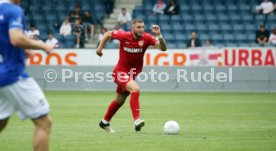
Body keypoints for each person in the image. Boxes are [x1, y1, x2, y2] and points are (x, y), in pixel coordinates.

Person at [96, 19, 167, 132]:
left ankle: (104, 122)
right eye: (138, 27)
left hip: (131, 75)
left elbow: (163, 48)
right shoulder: (123, 35)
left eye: (143, 27)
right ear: (132, 28)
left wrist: (159, 36)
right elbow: (108, 34)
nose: (141, 29)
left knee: (120, 100)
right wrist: (99, 49)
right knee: (135, 88)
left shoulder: (147, 38)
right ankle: (137, 120)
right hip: (119, 72)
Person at [0, 1, 53, 151]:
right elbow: (16, 38)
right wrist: (43, 45)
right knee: (44, 122)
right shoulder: (13, 10)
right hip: (12, 75)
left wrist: (20, 51)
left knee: (1, 122)